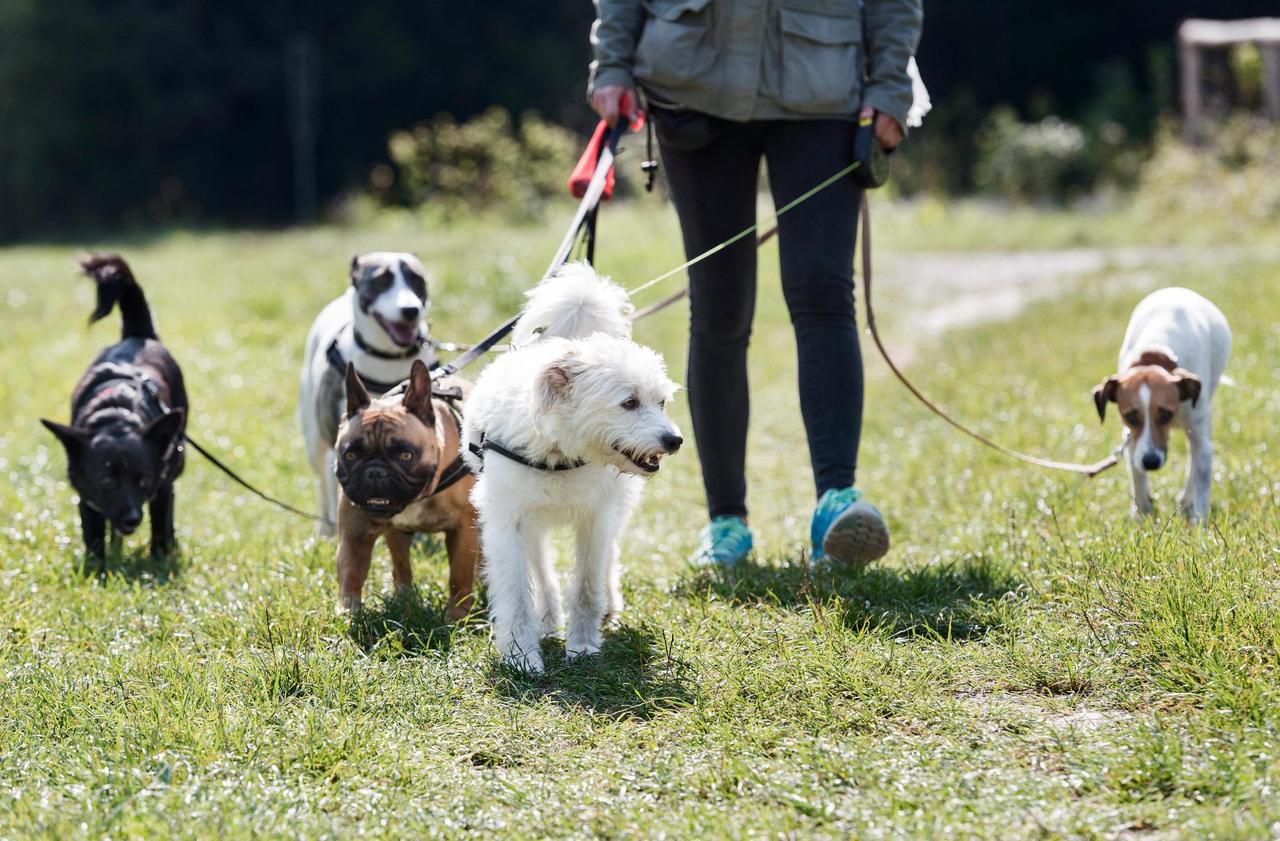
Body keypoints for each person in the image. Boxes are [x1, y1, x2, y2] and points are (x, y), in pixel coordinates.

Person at [588, 0, 924, 567]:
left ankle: (837, 503)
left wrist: (890, 86)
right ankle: (726, 524)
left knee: (823, 296)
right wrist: (613, 65)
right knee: (718, 309)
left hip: (824, 93)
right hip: (692, 87)